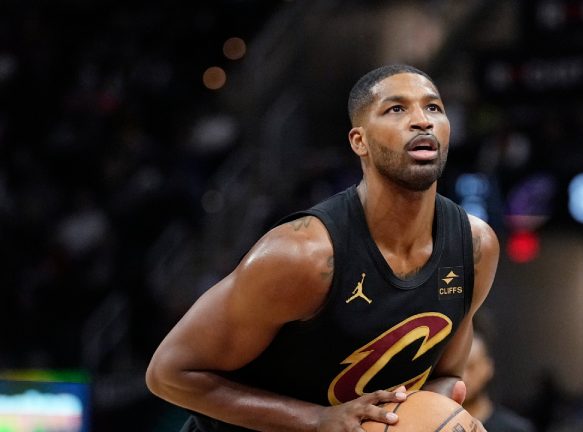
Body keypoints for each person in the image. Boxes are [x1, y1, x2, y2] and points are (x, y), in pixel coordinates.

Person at [145, 64, 500, 432]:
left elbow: (443, 381)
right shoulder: (304, 256)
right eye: (397, 109)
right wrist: (316, 419)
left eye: (433, 108)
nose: (421, 121)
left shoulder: (475, 249)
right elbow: (169, 373)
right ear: (358, 141)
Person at [463, 311, 535, 432]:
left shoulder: (515, 429)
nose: (463, 377)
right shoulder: (434, 426)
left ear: (488, 368)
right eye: (457, 368)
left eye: (471, 367)